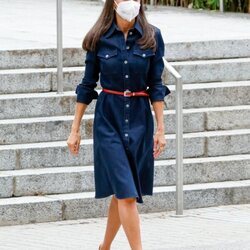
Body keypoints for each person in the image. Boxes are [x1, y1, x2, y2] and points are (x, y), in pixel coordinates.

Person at [67, 0, 170, 249]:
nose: (131, 2)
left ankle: (104, 247)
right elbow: (86, 85)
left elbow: (156, 85)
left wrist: (161, 129)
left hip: (139, 120)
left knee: (124, 193)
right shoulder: (98, 37)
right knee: (127, 193)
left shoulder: (152, 36)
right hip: (108, 121)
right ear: (114, 2)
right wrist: (75, 129)